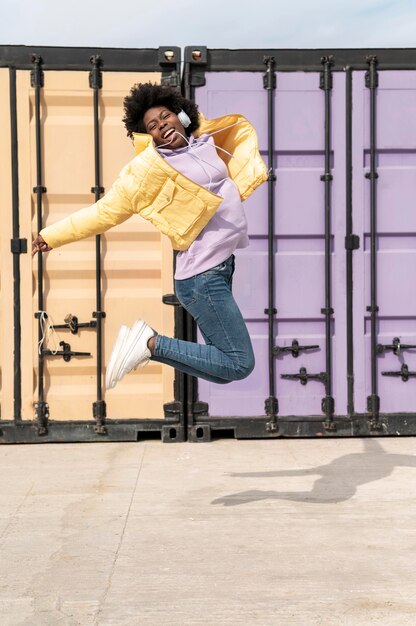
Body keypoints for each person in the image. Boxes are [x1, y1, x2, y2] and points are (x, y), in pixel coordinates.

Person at [32, 83, 267, 389]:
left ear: (180, 114)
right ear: (147, 135)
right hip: (202, 276)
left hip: (218, 268)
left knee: (224, 368)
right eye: (153, 126)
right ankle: (150, 343)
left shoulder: (204, 141)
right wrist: (52, 236)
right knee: (239, 362)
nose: (162, 126)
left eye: (166, 116)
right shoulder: (148, 171)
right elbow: (104, 212)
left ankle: (150, 345)